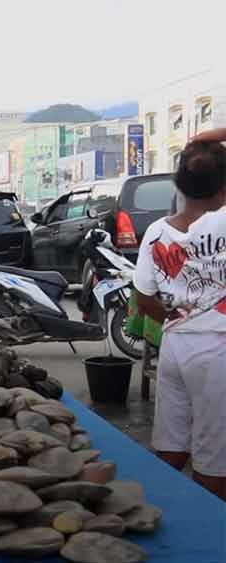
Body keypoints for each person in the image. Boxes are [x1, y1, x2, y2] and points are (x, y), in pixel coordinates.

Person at [133, 136, 226, 501]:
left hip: (173, 348)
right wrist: (207, 138)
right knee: (215, 458)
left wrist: (178, 316)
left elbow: (144, 299)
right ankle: (210, 529)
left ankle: (160, 512)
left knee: (172, 446)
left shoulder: (157, 232)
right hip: (218, 353)